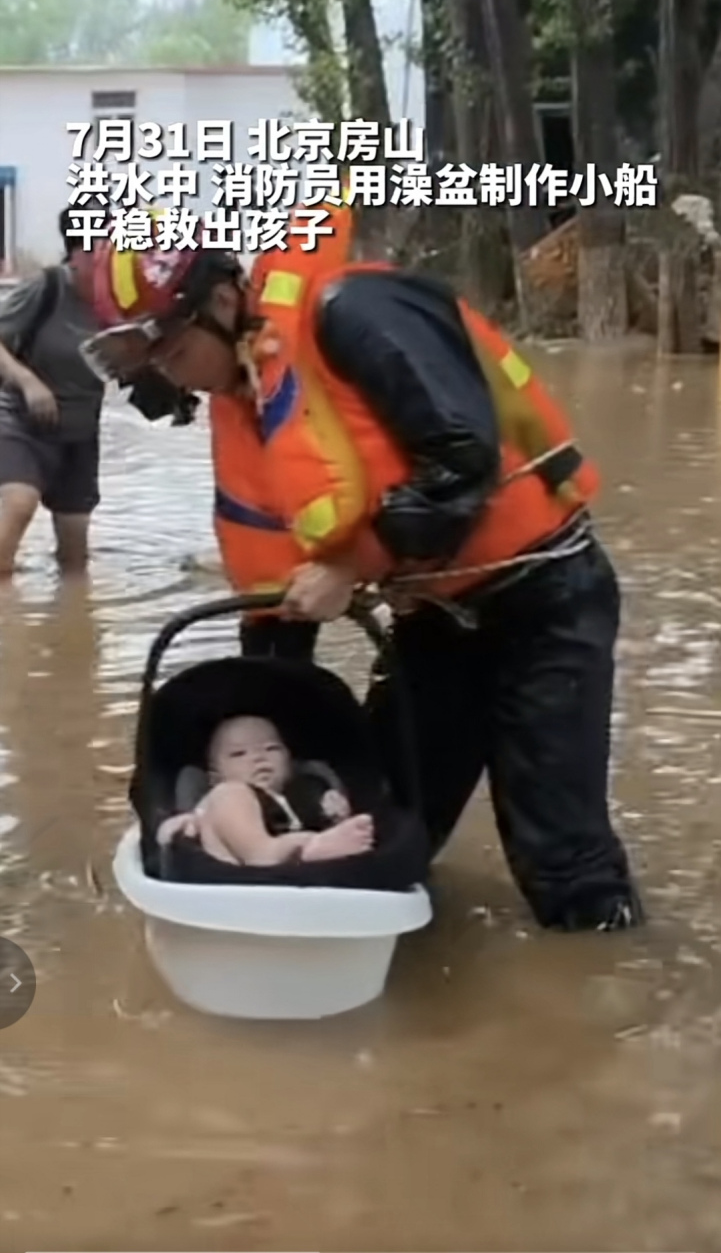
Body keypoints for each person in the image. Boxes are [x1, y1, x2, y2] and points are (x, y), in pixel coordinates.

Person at [81, 202, 644, 933]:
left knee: (559, 853)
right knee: (381, 817)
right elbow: (275, 622)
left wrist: (352, 563)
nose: (173, 378)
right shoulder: (245, 399)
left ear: (220, 301)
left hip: (542, 598)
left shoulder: (353, 313)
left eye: (175, 353)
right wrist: (233, 777)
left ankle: (606, 976)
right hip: (436, 622)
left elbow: (461, 460)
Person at [0, 207, 108, 576]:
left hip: (80, 433)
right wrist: (28, 381)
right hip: (22, 422)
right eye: (99, 252)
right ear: (76, 255)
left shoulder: (119, 302)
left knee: (75, 557)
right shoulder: (46, 288)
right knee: (19, 504)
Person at [157, 714, 375, 866]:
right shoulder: (221, 795)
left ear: (290, 761)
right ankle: (283, 851)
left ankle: (311, 849)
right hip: (244, 868)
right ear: (214, 777)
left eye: (272, 748)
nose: (258, 757)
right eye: (238, 754)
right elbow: (171, 831)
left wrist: (336, 814)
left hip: (293, 870)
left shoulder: (303, 794)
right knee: (232, 795)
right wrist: (178, 826)